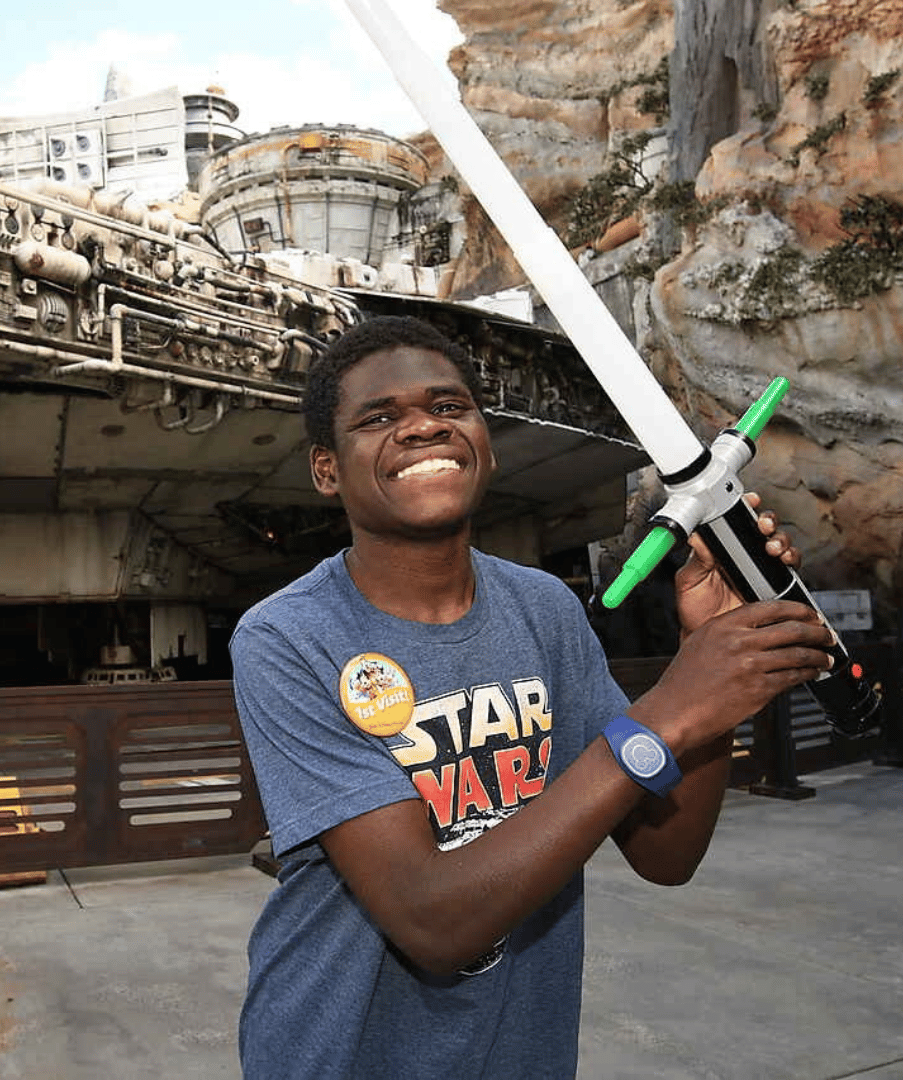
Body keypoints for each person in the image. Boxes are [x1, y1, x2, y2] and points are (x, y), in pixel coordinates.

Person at [229, 315, 832, 1079]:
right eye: (379, 417)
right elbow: (432, 919)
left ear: (484, 437)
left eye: (449, 407)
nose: (421, 427)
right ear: (326, 468)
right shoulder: (287, 636)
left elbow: (665, 854)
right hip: (341, 1055)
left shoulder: (543, 608)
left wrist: (706, 682)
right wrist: (666, 712)